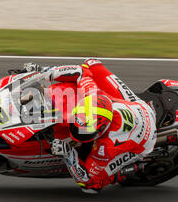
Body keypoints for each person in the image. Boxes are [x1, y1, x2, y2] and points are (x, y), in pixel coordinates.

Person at [24, 59, 157, 194]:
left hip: (144, 139)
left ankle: (123, 173)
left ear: (100, 131)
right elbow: (80, 72)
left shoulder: (106, 148)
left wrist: (68, 154)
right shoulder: (92, 94)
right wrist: (44, 72)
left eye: (84, 132)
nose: (77, 132)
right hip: (136, 105)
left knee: (92, 187)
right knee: (91, 63)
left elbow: (86, 178)